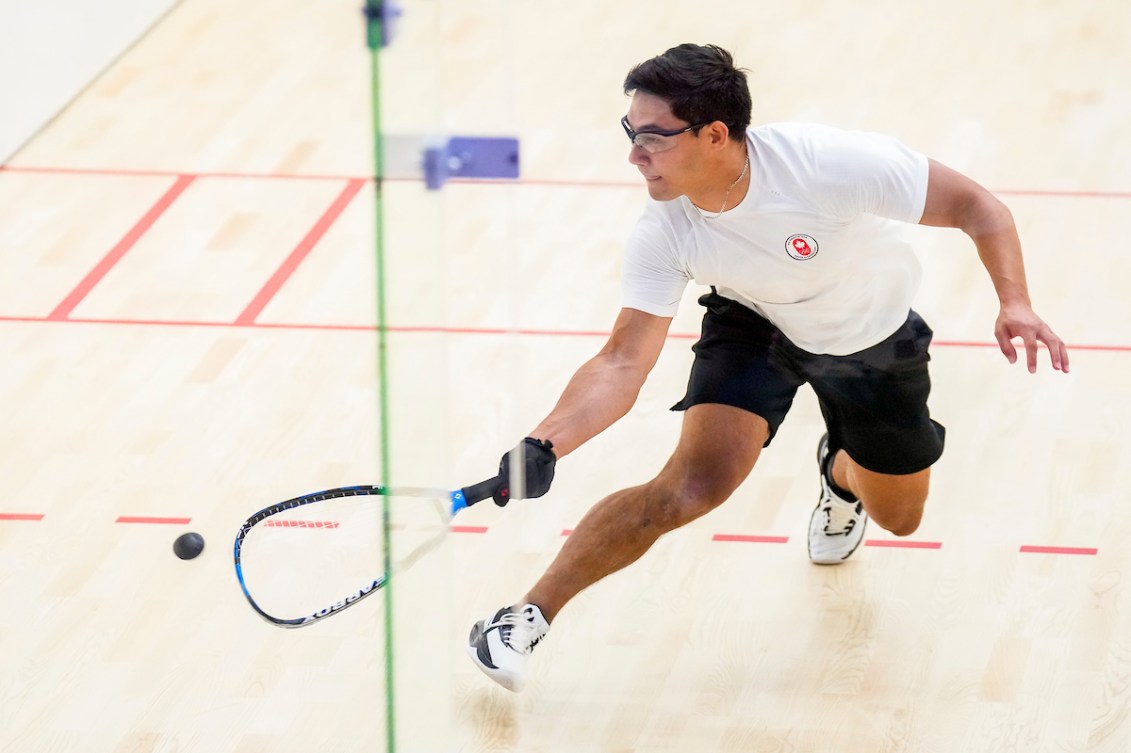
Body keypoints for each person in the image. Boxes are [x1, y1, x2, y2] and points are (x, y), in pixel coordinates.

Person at [465, 43, 1069, 692]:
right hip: (755, 326)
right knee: (688, 487)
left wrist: (1014, 302)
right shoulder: (665, 228)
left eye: (650, 137)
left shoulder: (827, 164)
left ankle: (838, 473)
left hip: (872, 338)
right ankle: (522, 617)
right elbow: (621, 359)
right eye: (630, 133)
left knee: (899, 517)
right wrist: (543, 442)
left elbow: (980, 208)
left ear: (715, 134)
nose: (634, 153)